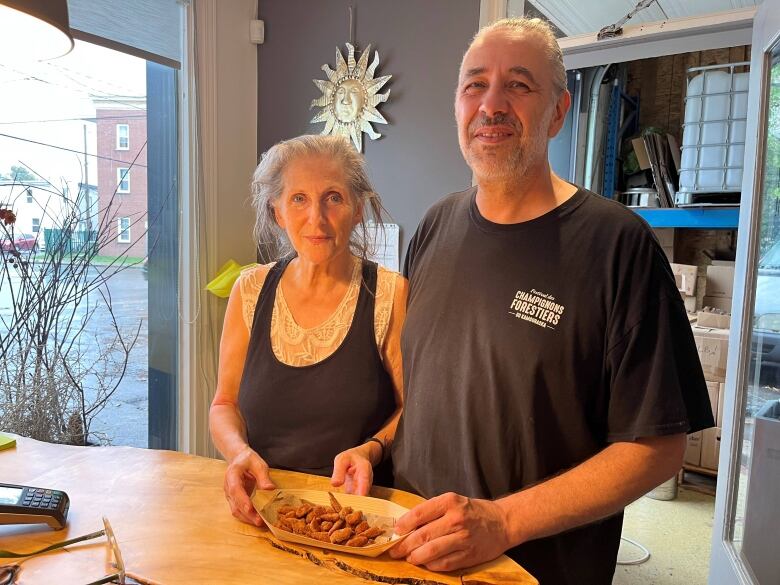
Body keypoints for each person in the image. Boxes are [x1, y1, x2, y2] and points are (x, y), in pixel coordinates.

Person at [388, 17, 714, 584]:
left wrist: (502, 521)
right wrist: (374, 450)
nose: (491, 105)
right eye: (474, 85)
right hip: (412, 551)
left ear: (558, 112)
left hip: (533, 570)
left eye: (518, 85)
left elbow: (658, 445)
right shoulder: (434, 225)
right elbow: (429, 389)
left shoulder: (619, 246)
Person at [210, 134, 407, 527]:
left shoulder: (389, 293)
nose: (316, 218)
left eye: (333, 197)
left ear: (357, 210)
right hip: (261, 510)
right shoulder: (249, 290)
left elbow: (410, 409)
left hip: (356, 521)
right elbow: (224, 405)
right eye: (298, 198)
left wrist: (370, 451)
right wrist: (237, 452)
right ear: (278, 211)